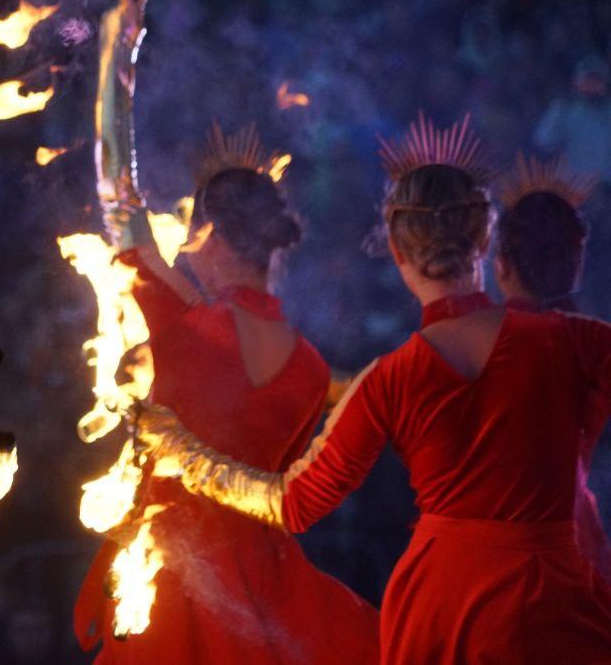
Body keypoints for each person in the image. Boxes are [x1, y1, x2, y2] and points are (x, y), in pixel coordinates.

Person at [138, 116, 611, 663]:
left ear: (394, 245)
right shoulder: (575, 342)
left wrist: (182, 452)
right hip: (557, 597)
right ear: (484, 237)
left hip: (445, 606)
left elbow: (291, 504)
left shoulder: (390, 379)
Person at [74, 113, 379, 660]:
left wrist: (113, 60)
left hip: (171, 574)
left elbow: (118, 199)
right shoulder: (310, 367)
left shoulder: (188, 327)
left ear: (209, 236)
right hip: (265, 584)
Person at [495, 155, 610, 581]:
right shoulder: (597, 345)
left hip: (488, 551)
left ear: (501, 266)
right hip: (576, 539)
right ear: (576, 266)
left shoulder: (469, 343)